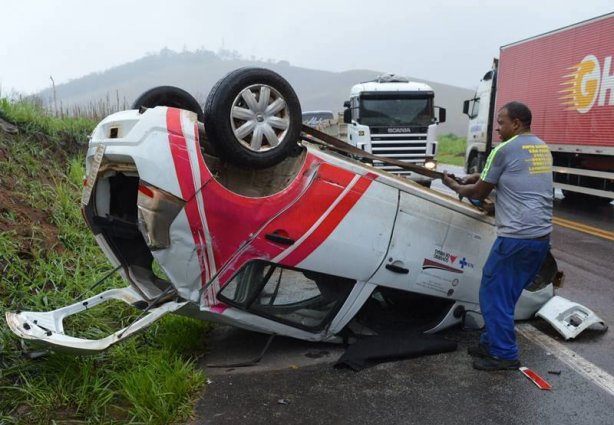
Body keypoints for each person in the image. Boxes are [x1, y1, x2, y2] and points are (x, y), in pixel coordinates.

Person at [442, 101, 553, 371]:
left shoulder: (503, 149)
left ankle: (504, 354)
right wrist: (477, 178)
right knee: (508, 294)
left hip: (515, 239)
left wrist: (454, 184)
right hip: (540, 238)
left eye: (501, 122)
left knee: (492, 294)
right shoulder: (541, 147)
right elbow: (517, 176)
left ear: (516, 123)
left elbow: (479, 192)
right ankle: (490, 342)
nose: (497, 128)